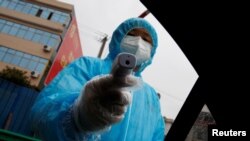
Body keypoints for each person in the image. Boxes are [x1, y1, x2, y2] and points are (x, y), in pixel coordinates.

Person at [30, 17, 165, 141]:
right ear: (118, 38)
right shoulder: (87, 66)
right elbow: (43, 114)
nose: (138, 43)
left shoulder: (151, 98)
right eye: (132, 35)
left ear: (152, 51)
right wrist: (81, 118)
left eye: (146, 39)